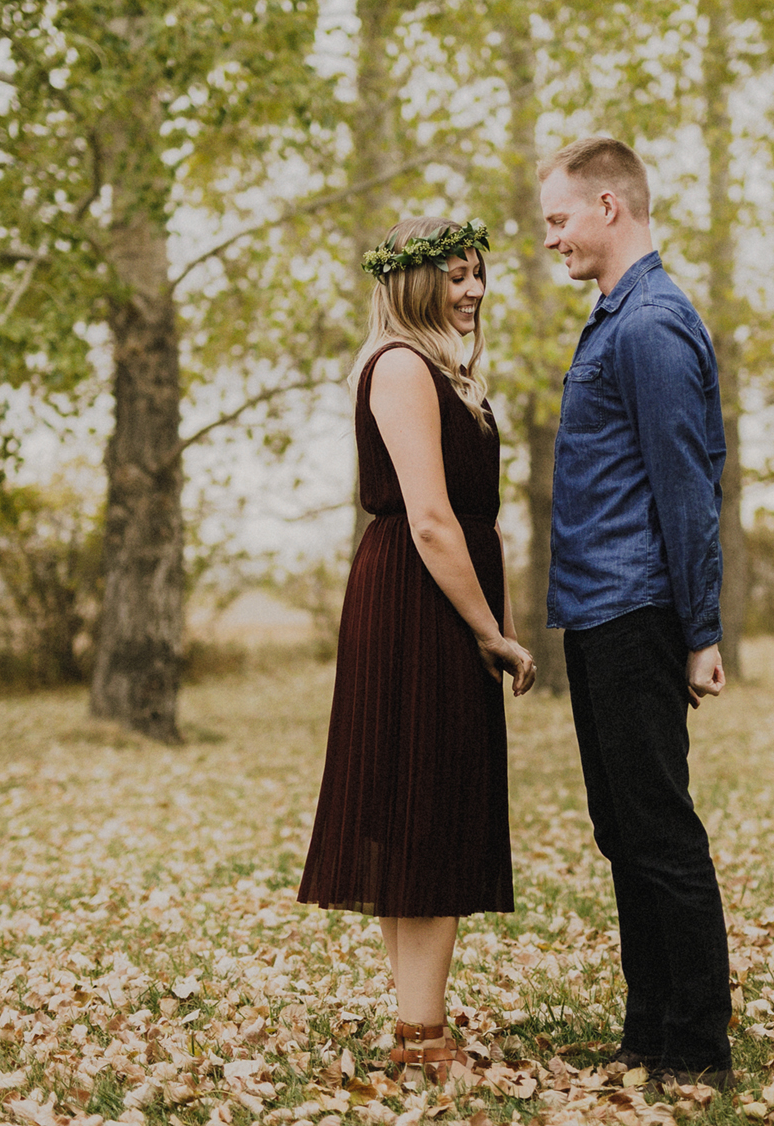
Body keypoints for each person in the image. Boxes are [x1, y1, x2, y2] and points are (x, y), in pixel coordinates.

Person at [298, 215, 538, 1084]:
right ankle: (424, 1038)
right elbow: (433, 522)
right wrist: (491, 630)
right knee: (427, 813)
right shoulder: (401, 367)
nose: (473, 290)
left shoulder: (445, 370)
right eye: (455, 276)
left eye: (478, 274)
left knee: (421, 812)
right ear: (409, 284)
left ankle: (415, 1027)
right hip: (421, 601)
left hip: (433, 595)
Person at [539, 137, 735, 1088]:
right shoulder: (615, 315)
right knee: (623, 829)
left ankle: (698, 1045)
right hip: (598, 610)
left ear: (610, 207)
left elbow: (689, 487)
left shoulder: (651, 323)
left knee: (658, 828)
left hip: (638, 610)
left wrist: (701, 631)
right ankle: (649, 1028)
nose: (552, 238)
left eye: (560, 218)